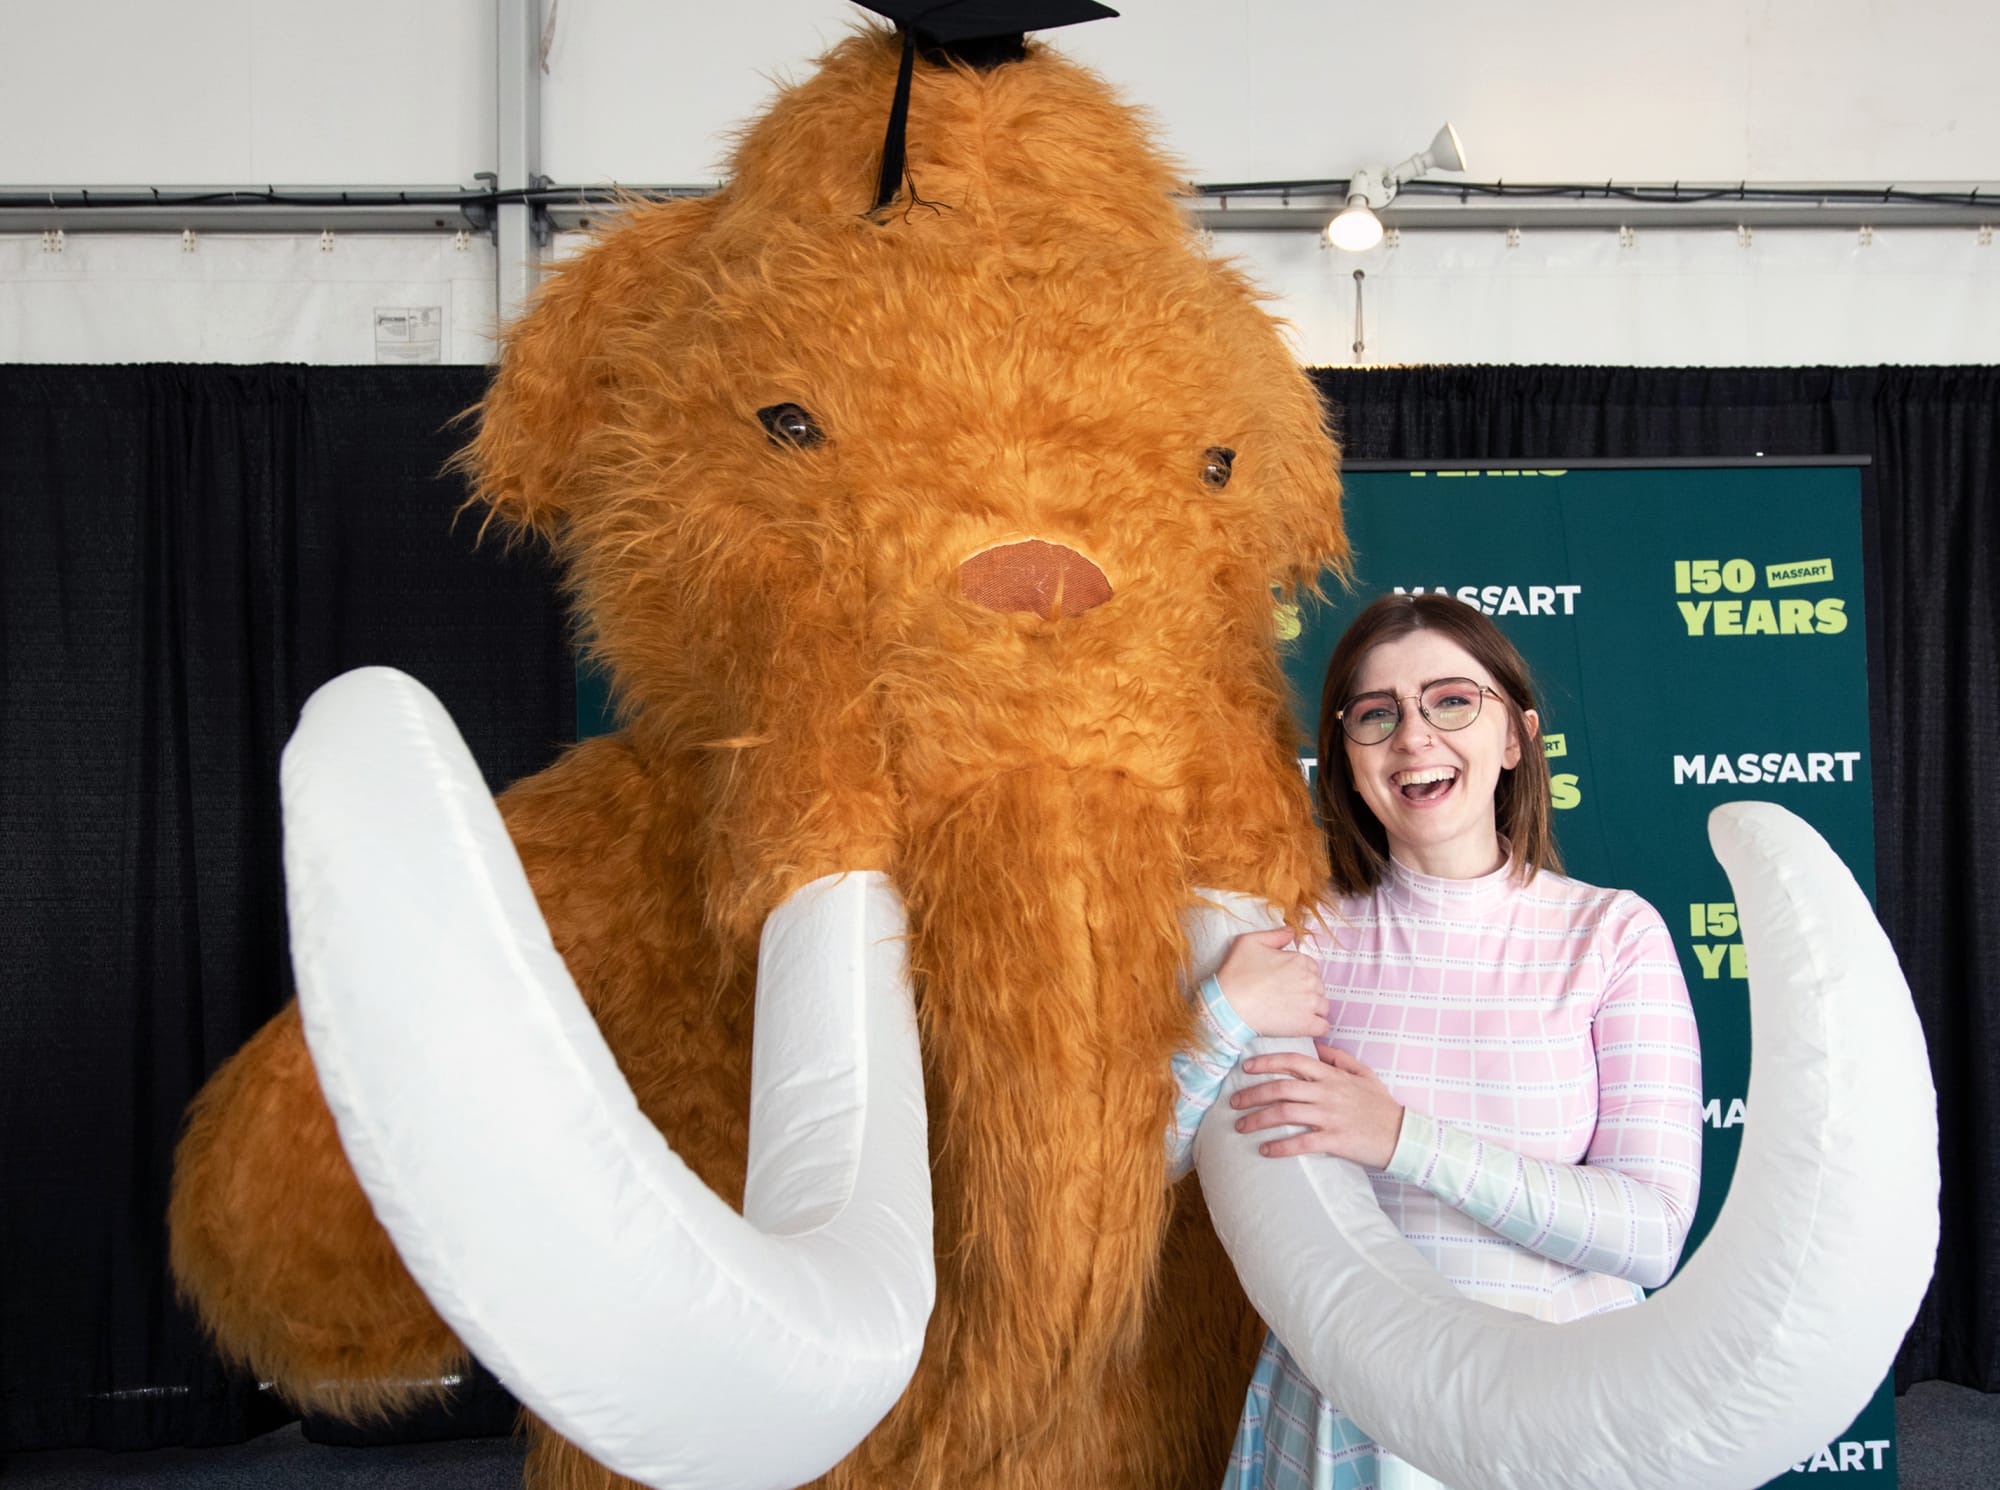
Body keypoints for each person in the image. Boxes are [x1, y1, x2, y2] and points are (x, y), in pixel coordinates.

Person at [1168, 592, 1703, 1490]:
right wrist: (1221, 1008)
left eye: (1452, 700)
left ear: (1516, 738)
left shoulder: (1614, 935)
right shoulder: (1298, 942)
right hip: (1349, 1425)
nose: (1415, 737)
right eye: (1377, 715)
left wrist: (1399, 1137)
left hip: (1557, 1415)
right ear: (1345, 755)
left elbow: (1650, 1234)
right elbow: (1147, 1163)